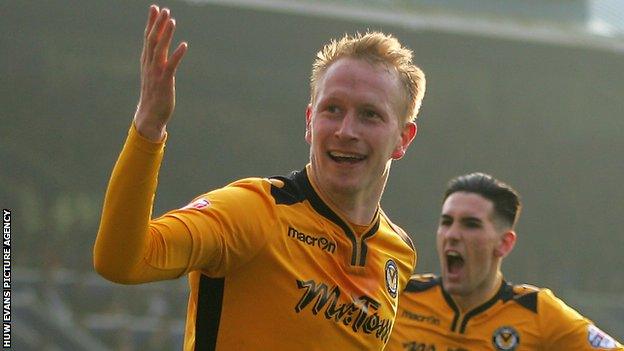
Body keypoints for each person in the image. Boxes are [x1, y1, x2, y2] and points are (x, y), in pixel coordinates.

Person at [93, 4, 426, 351]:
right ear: (310, 122)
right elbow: (121, 262)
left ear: (403, 138)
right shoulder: (253, 211)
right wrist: (149, 128)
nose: (346, 130)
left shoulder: (397, 253)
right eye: (333, 109)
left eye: (369, 115)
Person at [386, 172, 623, 351]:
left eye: (471, 225)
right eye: (447, 222)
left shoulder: (538, 312)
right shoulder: (399, 299)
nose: (452, 234)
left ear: (504, 243)